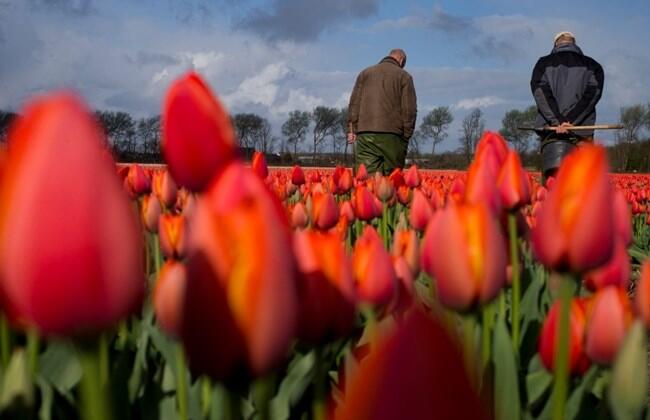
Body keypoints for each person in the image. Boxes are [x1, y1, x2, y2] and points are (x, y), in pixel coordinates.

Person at [531, 31, 604, 181]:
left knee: (552, 180)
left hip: (551, 131)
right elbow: (591, 96)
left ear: (555, 44)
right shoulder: (593, 66)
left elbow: (541, 93)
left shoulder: (542, 64)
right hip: (581, 132)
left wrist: (558, 121)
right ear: (574, 44)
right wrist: (571, 121)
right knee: (582, 182)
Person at [347, 48, 417, 175]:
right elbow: (409, 109)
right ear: (401, 60)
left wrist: (352, 129)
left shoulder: (365, 73)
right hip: (393, 135)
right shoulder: (404, 76)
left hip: (365, 134)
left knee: (367, 181)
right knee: (391, 181)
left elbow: (354, 104)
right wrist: (406, 134)